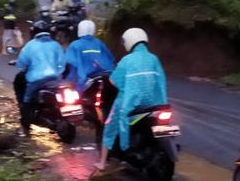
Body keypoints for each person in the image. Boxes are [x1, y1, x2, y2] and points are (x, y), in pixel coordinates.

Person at [95, 28, 167, 171]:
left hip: (130, 103)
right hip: (154, 103)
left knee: (109, 126)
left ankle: (102, 163)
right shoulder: (153, 58)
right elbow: (161, 81)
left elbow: (114, 82)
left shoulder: (126, 60)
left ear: (129, 42)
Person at [14, 20, 66, 135]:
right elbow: (63, 63)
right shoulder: (56, 45)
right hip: (55, 80)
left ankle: (25, 127)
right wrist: (58, 73)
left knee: (26, 101)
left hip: (36, 80)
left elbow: (21, 64)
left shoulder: (30, 46)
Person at [65, 20, 115, 94]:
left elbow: (70, 63)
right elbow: (110, 60)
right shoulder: (99, 43)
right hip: (103, 79)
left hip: (83, 83)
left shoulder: (75, 45)